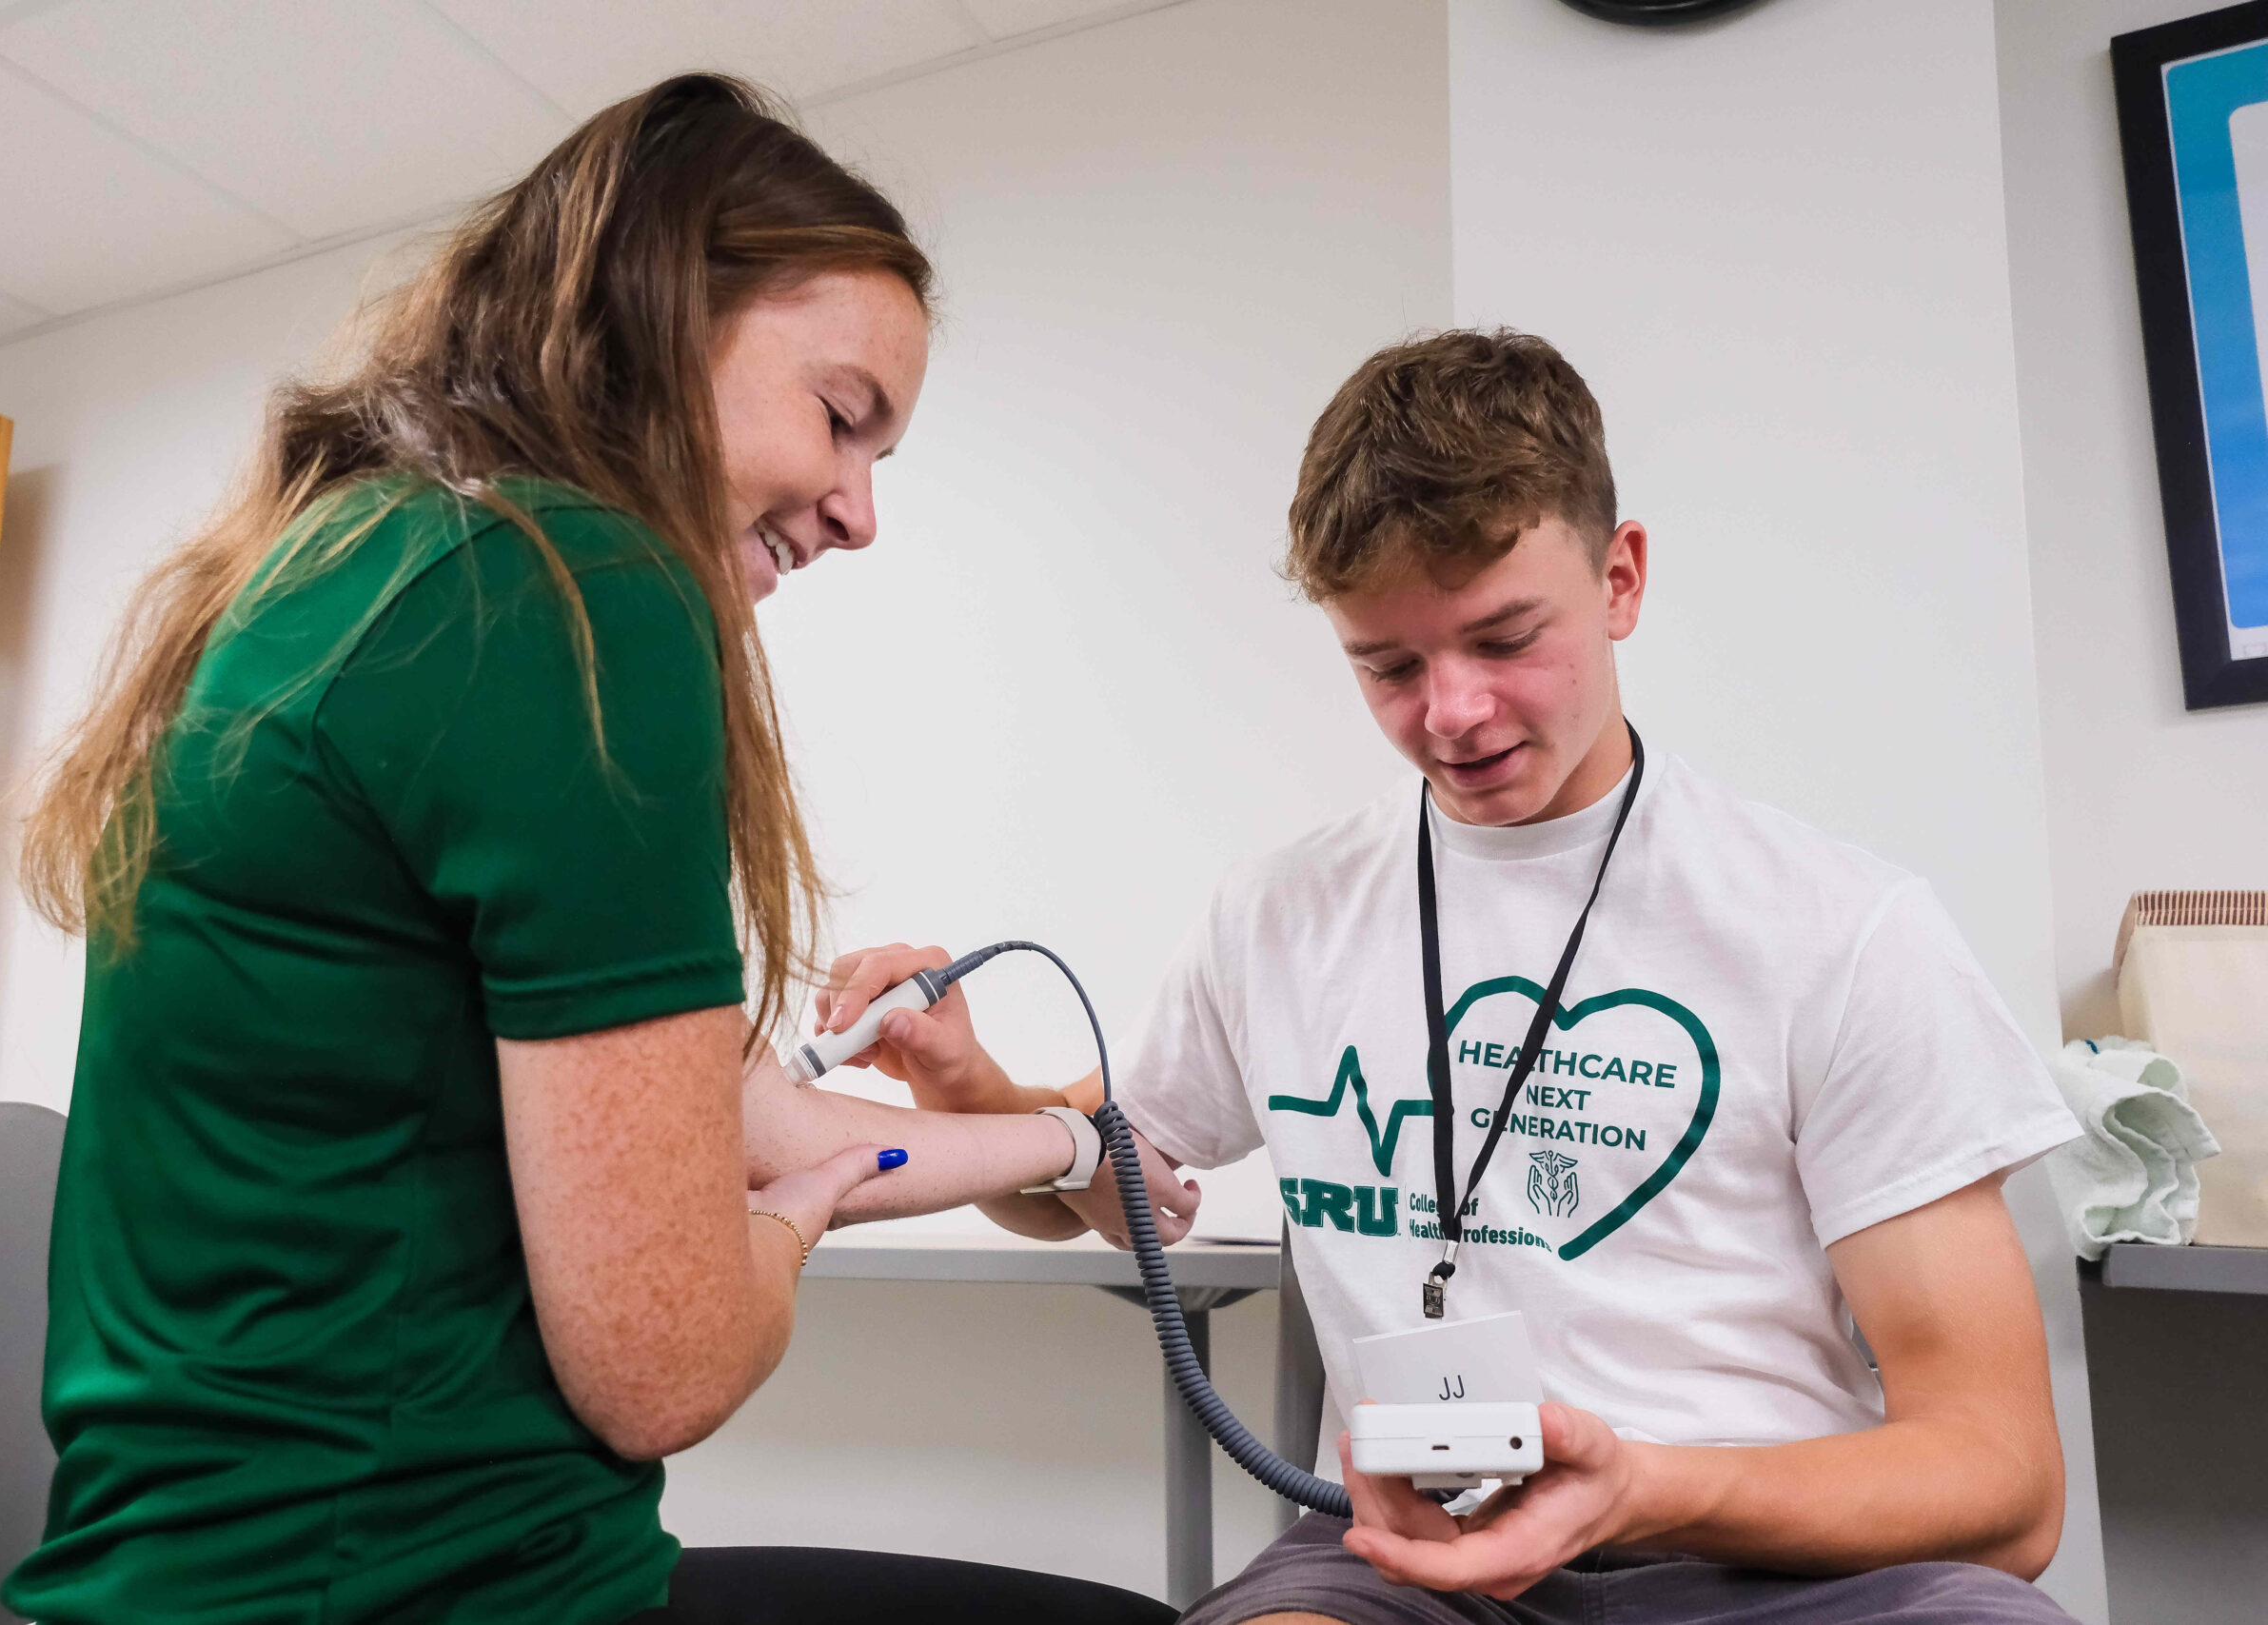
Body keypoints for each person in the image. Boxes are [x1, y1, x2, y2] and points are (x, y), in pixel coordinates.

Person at [3, 75, 1175, 1625]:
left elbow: (750, 1116)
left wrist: (1075, 1148)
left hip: (225, 1577)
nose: (859, 513)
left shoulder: (368, 564)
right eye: (842, 418)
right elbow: (666, 1368)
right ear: (661, 314)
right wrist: (782, 1232)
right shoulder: (565, 595)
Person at [820, 329, 2084, 1624]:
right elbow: (1096, 1184)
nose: (1453, 714)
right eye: (1391, 666)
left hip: (1781, 1564)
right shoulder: (1279, 914)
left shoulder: (1845, 931)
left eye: (1505, 638)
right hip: (1417, 1570)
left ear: (1621, 579)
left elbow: (2007, 1485)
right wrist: (966, 1085)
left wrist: (1643, 1486)